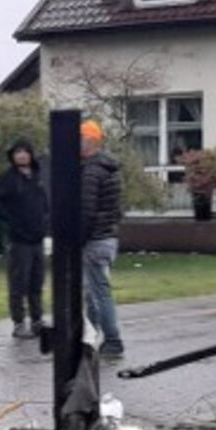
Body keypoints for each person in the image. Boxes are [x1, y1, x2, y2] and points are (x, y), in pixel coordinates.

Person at [0, 138, 48, 338]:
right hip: (19, 240)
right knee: (19, 282)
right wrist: (9, 217)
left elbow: (44, 201)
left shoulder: (37, 176)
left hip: (37, 238)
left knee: (37, 281)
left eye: (25, 151)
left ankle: (37, 319)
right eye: (18, 152)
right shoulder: (8, 179)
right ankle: (19, 323)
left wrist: (45, 219)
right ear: (12, 156)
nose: (22, 155)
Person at [79, 119, 124, 357]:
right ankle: (92, 335)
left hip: (94, 241)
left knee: (98, 292)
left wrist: (79, 238)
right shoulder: (109, 168)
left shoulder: (90, 172)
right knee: (94, 292)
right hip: (108, 238)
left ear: (88, 141)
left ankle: (113, 340)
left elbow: (87, 211)